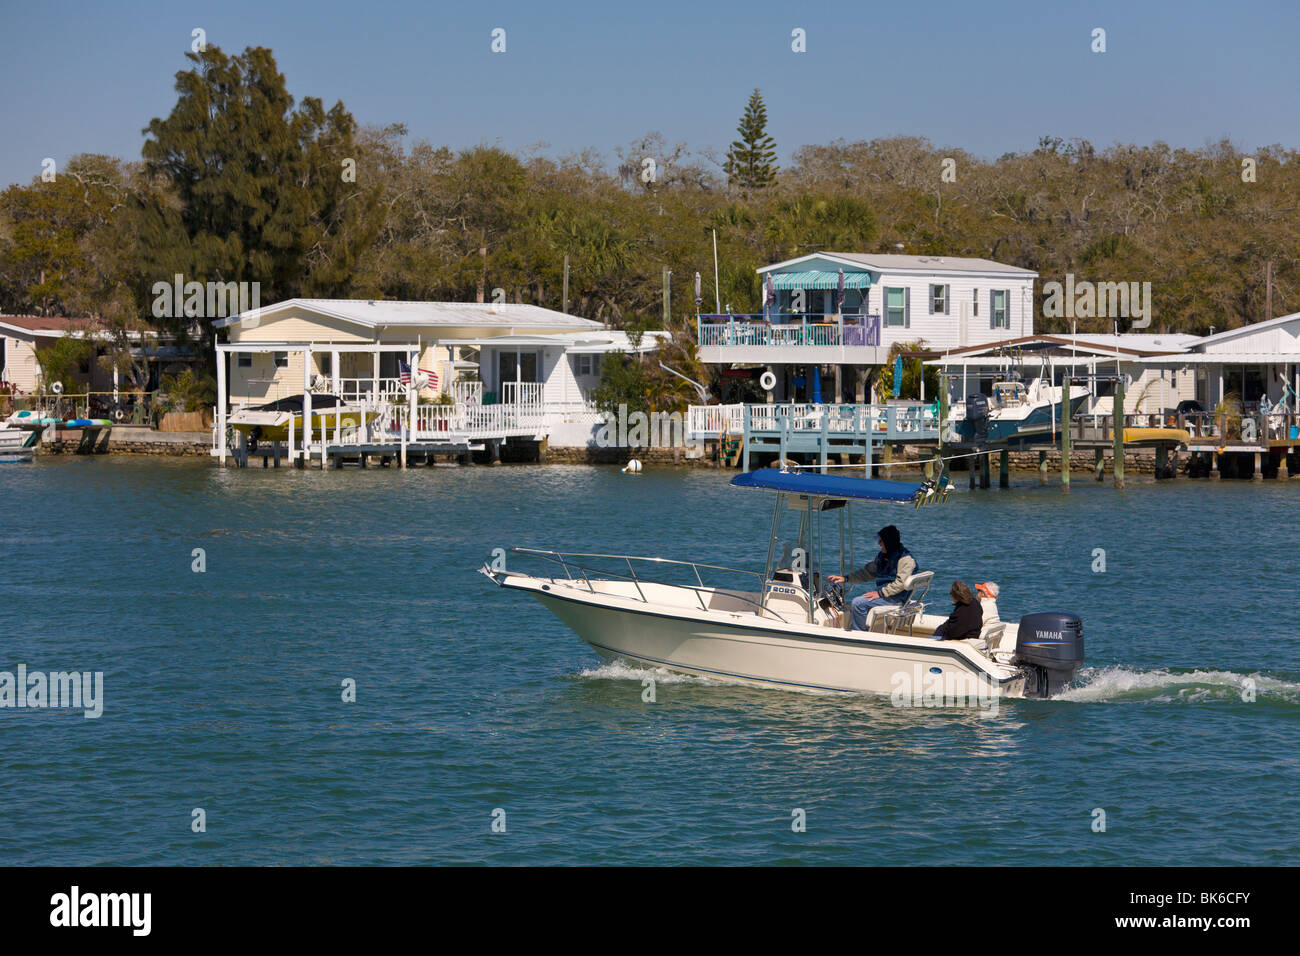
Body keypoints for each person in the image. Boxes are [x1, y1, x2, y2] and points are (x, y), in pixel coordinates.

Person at [828, 525, 917, 631]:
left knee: (858, 603)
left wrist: (880, 593)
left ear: (889, 542)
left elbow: (901, 584)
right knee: (860, 600)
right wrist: (846, 578)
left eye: (881, 541)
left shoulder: (905, 559)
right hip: (888, 595)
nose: (879, 543)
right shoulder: (883, 556)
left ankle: (859, 635)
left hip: (896, 598)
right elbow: (867, 573)